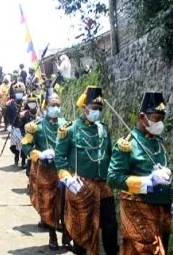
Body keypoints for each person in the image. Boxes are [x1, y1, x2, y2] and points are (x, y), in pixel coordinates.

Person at [54, 86, 119, 255]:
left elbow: (110, 156)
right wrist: (67, 178)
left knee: (110, 226)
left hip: (104, 186)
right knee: (81, 228)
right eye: (93, 108)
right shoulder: (70, 129)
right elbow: (59, 158)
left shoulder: (103, 129)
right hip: (81, 185)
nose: (96, 112)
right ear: (84, 107)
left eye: (99, 109)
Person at [108, 92, 173, 255]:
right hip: (138, 211)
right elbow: (113, 178)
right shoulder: (128, 144)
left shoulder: (158, 142)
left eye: (162, 119)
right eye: (156, 119)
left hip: (161, 211)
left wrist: (168, 197)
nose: (160, 123)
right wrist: (147, 181)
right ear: (143, 117)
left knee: (162, 248)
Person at [22, 92, 73, 251]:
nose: (56, 108)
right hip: (45, 171)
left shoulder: (66, 125)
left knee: (65, 203)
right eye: (53, 105)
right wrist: (39, 154)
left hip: (62, 170)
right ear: (45, 107)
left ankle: (66, 234)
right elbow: (25, 145)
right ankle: (52, 235)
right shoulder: (36, 126)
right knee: (48, 204)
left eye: (58, 105)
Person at [7, 82, 28, 167]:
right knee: (13, 146)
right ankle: (16, 154)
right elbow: (7, 115)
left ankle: (23, 161)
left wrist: (25, 112)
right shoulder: (11, 104)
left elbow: (32, 112)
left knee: (23, 146)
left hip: (23, 128)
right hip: (14, 127)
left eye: (21, 92)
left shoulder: (26, 103)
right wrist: (8, 124)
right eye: (17, 92)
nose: (19, 94)